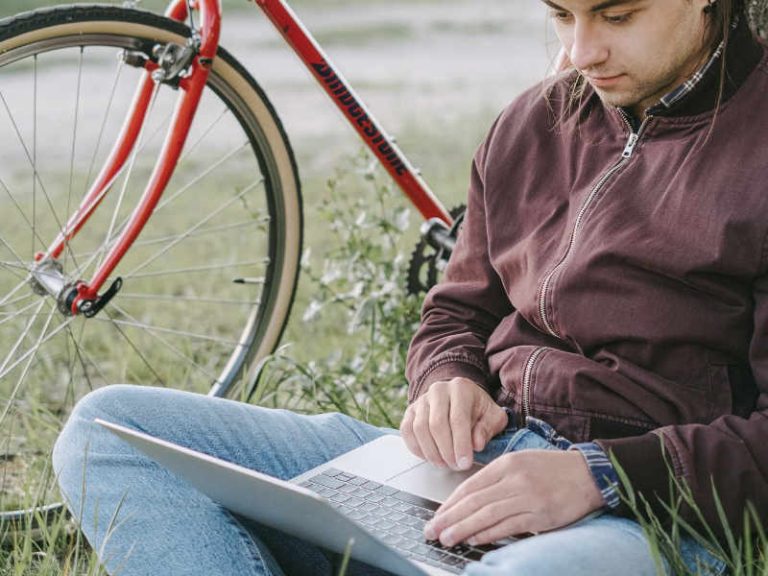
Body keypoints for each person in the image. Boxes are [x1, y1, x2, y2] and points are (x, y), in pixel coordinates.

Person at [53, 0, 768, 574]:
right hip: (463, 471)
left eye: (617, 16)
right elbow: (457, 310)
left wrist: (598, 477)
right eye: (560, 16)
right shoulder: (531, 124)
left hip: (645, 512)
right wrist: (447, 379)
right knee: (106, 434)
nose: (582, 53)